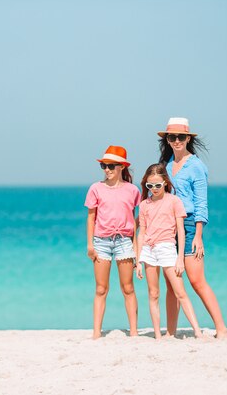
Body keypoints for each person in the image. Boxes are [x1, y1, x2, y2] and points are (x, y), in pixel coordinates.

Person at [157, 117, 227, 338]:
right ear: (167, 140)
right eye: (172, 137)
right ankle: (170, 332)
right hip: (169, 225)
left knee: (197, 281)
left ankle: (221, 328)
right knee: (171, 284)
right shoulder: (166, 165)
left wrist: (199, 234)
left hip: (189, 225)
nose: (177, 140)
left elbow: (201, 203)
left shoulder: (197, 166)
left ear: (188, 138)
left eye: (181, 137)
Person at [135, 163, 203, 339]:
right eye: (150, 186)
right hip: (149, 251)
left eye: (158, 185)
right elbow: (141, 232)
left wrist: (180, 259)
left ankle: (197, 331)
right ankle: (158, 335)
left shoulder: (174, 201)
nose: (154, 189)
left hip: (167, 248)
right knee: (153, 293)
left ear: (165, 182)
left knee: (180, 292)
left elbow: (181, 231)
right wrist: (138, 261)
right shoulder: (144, 205)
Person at [85, 145, 141, 339]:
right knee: (101, 288)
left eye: (111, 166)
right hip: (101, 242)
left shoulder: (133, 190)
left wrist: (136, 248)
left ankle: (133, 332)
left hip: (124, 242)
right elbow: (91, 218)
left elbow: (135, 221)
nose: (107, 169)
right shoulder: (96, 188)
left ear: (121, 167)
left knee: (128, 288)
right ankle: (96, 333)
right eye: (104, 166)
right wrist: (90, 245)